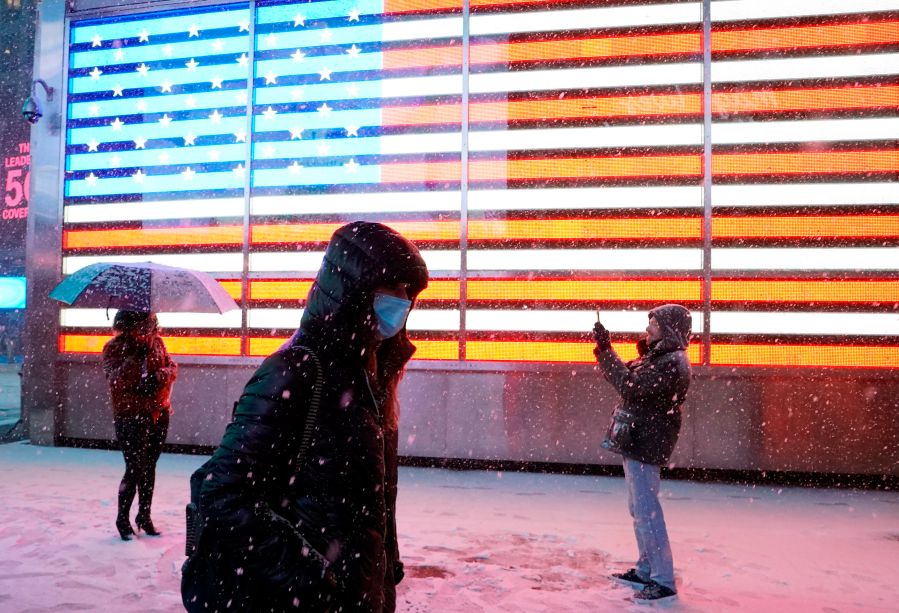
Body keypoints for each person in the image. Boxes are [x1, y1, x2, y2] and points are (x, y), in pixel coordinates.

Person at [182, 221, 428, 612]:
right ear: (353, 289)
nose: (403, 302)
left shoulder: (367, 378)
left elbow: (371, 502)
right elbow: (222, 494)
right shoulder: (297, 371)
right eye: (392, 288)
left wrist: (382, 572)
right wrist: (317, 581)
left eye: (408, 293)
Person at [592, 304, 692, 604]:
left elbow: (630, 385)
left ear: (670, 330)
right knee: (639, 509)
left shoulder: (671, 362)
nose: (648, 329)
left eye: (654, 325)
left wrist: (606, 350)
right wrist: (610, 348)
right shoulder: (662, 358)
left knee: (647, 512)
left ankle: (662, 579)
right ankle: (647, 569)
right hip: (639, 440)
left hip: (646, 443)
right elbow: (633, 379)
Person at [102, 310, 178, 540]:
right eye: (142, 327)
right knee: (134, 466)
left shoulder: (157, 344)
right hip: (130, 415)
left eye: (150, 327)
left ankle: (144, 515)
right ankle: (122, 518)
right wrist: (134, 361)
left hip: (158, 412)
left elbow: (172, 367)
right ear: (126, 326)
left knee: (150, 465)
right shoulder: (114, 348)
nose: (147, 332)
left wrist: (158, 377)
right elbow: (114, 379)